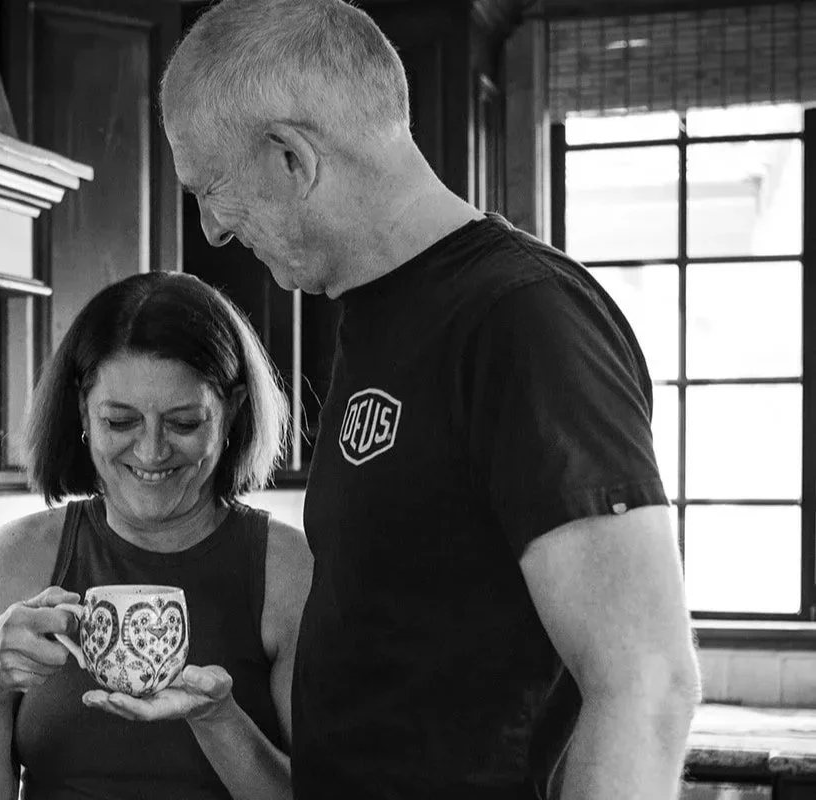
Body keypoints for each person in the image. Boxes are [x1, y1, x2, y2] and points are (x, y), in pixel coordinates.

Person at [160, 1, 703, 799]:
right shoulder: (378, 312)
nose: (209, 230)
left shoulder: (519, 315)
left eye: (211, 189)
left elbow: (646, 687)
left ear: (289, 157)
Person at [0, 271, 312, 800]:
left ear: (232, 412)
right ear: (83, 412)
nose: (152, 452)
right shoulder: (17, 558)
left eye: (183, 423)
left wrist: (218, 719)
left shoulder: (288, 569)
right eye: (120, 422)